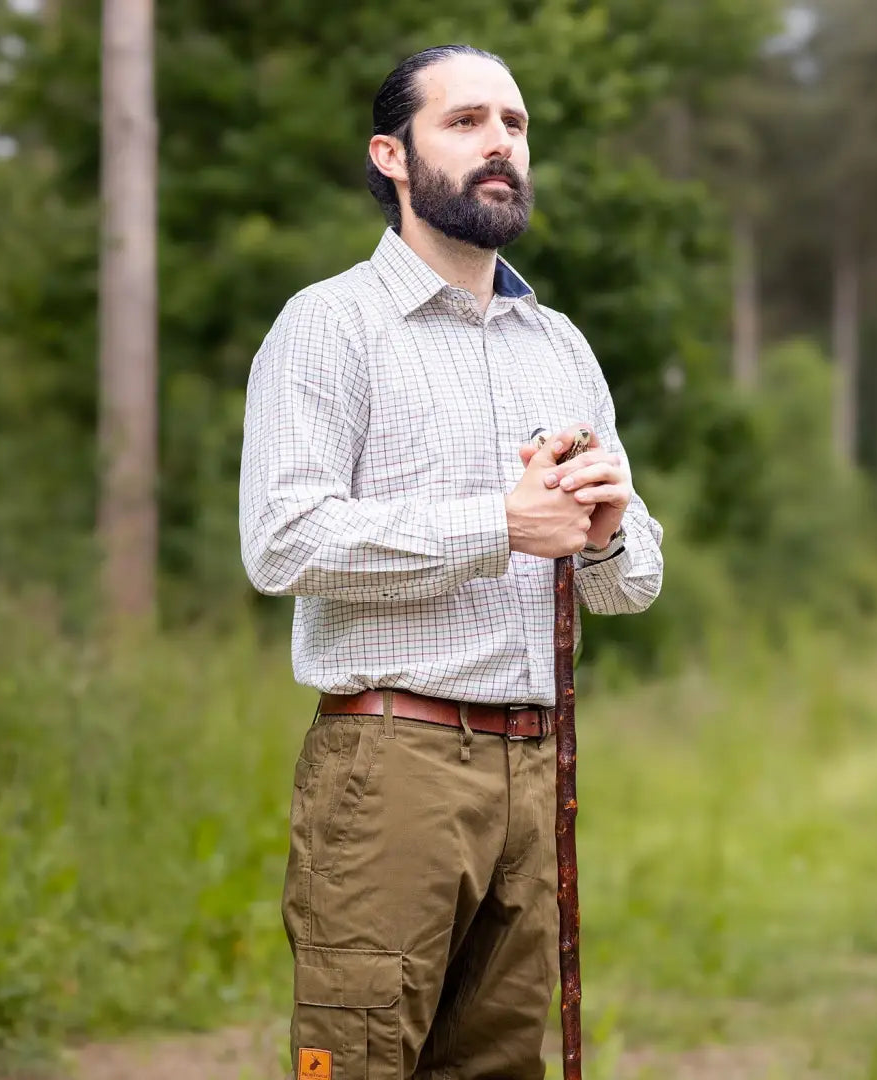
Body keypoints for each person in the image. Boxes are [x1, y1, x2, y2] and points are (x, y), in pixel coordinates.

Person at [239, 43, 664, 1080]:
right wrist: (496, 526)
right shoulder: (329, 326)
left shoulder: (558, 345)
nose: (500, 146)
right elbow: (281, 539)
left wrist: (604, 529)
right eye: (466, 122)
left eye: (514, 126)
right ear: (392, 154)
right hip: (391, 769)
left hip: (537, 768)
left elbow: (630, 581)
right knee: (362, 1060)